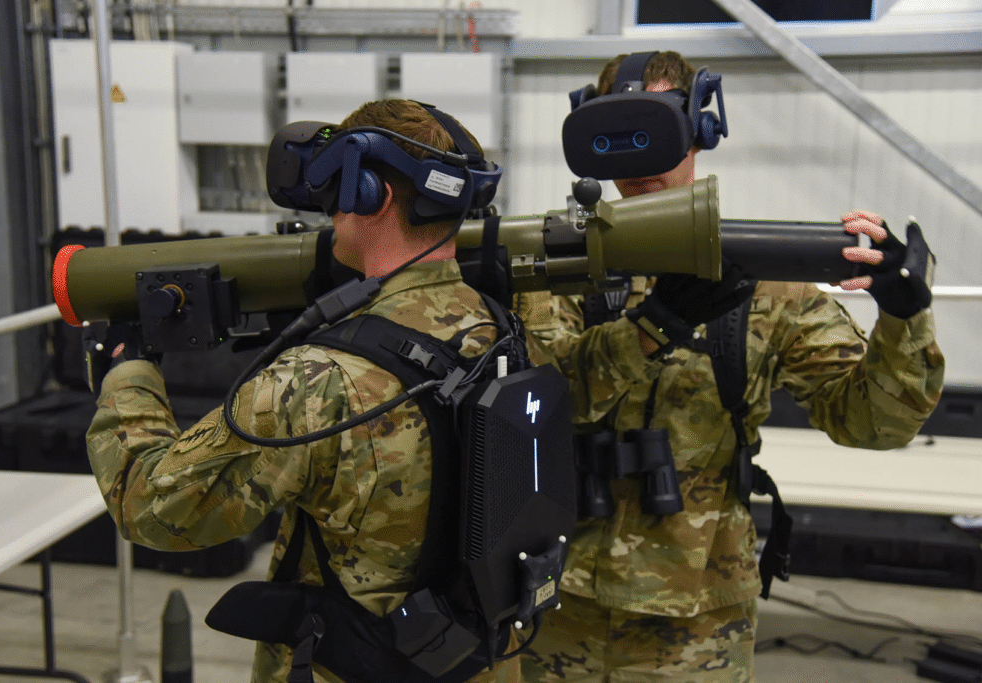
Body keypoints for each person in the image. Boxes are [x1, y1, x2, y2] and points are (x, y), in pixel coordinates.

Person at [518, 52, 945, 682]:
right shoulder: (554, 267)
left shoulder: (762, 280)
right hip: (553, 601)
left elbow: (872, 424)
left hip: (696, 625)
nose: (637, 158)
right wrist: (651, 327)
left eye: (655, 127)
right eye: (616, 132)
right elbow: (539, 409)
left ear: (699, 130)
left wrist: (903, 318)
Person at [85, 99, 535, 683]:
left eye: (335, 190)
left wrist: (128, 373)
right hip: (475, 662)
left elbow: (151, 507)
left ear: (371, 194)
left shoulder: (317, 382)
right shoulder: (498, 323)